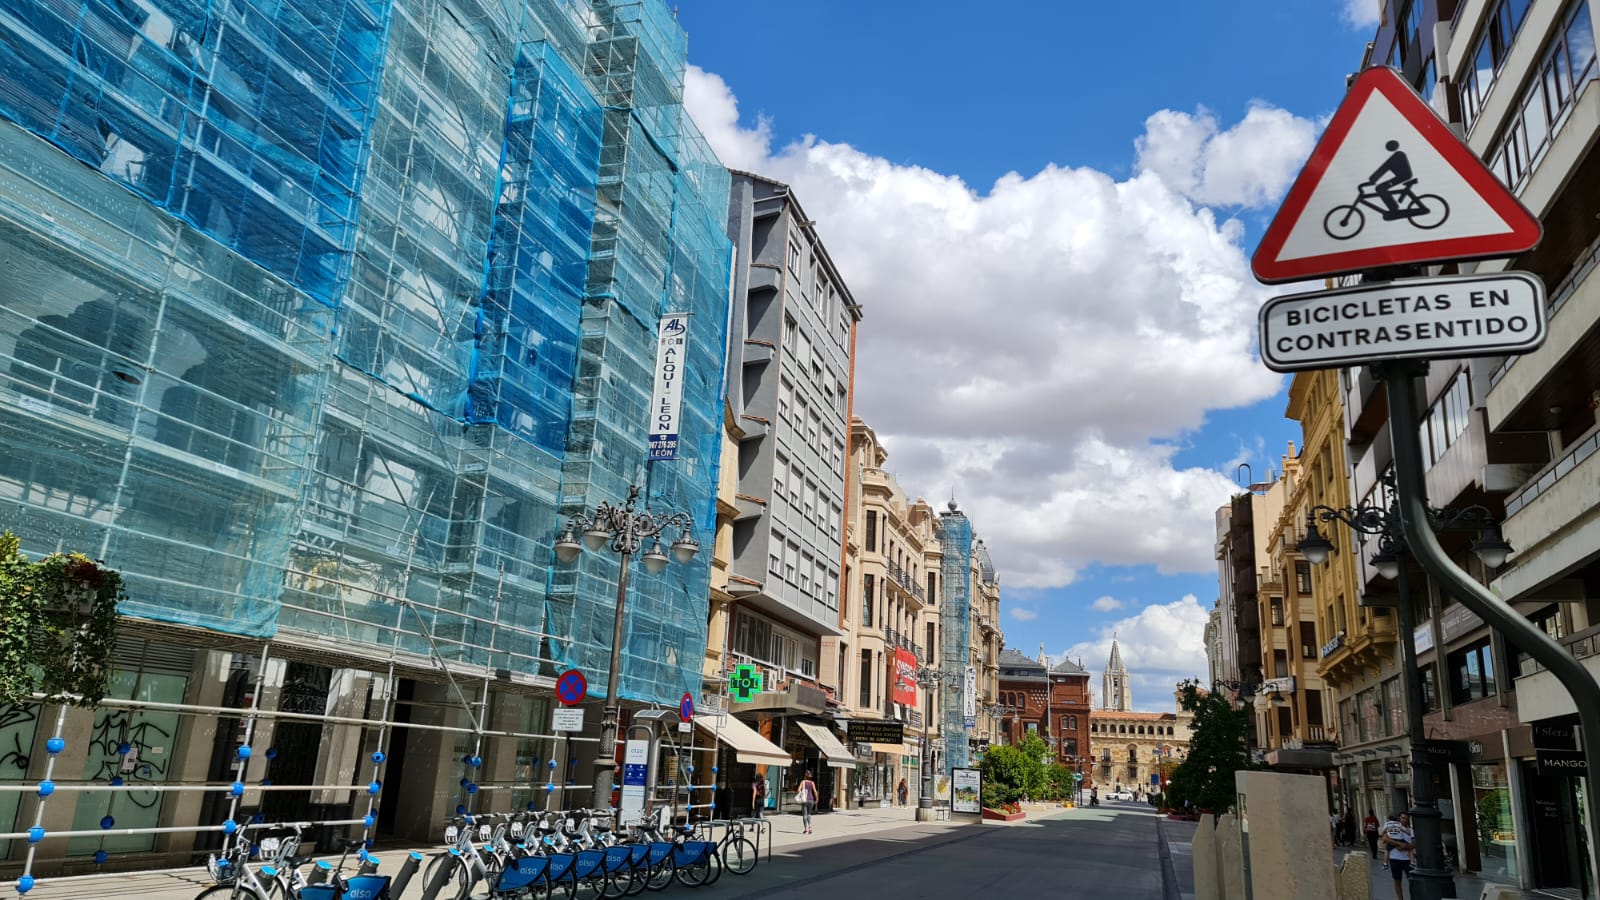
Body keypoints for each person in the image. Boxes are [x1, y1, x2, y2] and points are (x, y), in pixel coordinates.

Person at [1367, 140, 1415, 219]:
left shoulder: (1397, 155)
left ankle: (1394, 210)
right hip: (1402, 176)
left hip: (1403, 176)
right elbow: (1385, 167)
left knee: (1380, 188)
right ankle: (1394, 208)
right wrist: (1373, 179)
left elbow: (1385, 167)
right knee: (1381, 188)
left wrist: (1373, 179)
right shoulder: (1398, 154)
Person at [1382, 812, 1414, 900]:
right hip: (1394, 858)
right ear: (1399, 819)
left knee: (1412, 880)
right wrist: (1398, 844)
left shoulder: (1410, 830)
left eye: (1406, 818)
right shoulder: (1392, 828)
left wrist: (1405, 847)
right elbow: (1384, 838)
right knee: (1397, 881)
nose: (1405, 820)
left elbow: (1413, 844)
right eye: (1403, 818)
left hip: (1407, 859)